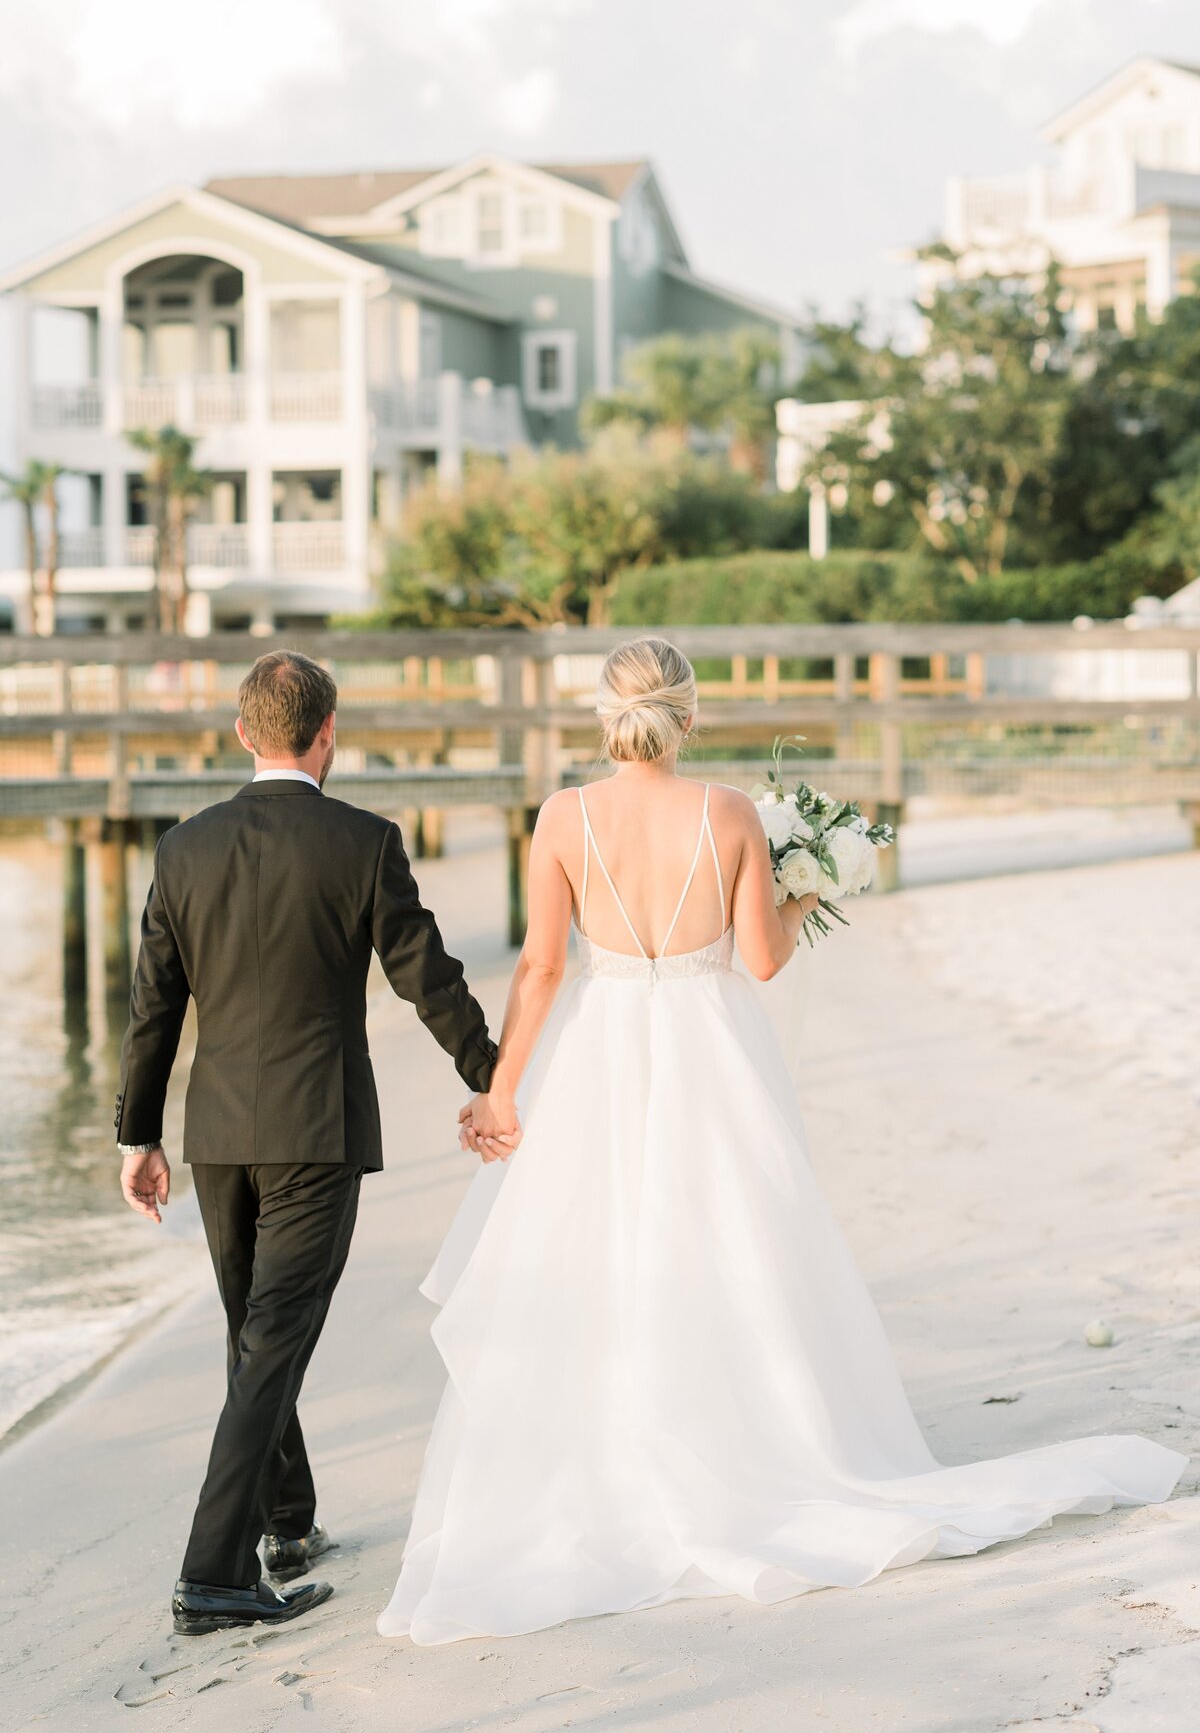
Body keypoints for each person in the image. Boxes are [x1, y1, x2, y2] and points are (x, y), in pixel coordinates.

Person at [379, 635, 1187, 1645]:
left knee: (597, 1250)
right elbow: (760, 959)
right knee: (727, 1242)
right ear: (691, 715)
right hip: (709, 1050)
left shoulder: (561, 817)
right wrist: (814, 883)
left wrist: (501, 1093)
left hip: (601, 1054)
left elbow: (542, 967)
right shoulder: (725, 814)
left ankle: (615, 1449)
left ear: (604, 717)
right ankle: (743, 1435)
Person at [117, 649, 510, 1636]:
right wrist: (493, 1076)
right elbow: (428, 977)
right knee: (270, 1341)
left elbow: (152, 1010)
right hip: (316, 1131)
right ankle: (212, 1572)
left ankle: (287, 1521)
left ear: (243, 733)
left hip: (215, 1136)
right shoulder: (364, 843)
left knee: (255, 1334)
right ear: (327, 732)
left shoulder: (183, 850)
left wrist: (137, 1136)